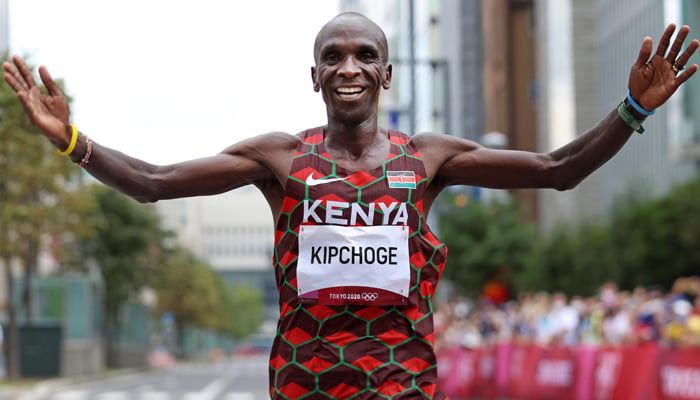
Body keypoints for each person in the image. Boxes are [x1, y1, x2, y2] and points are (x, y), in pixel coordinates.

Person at [3, 11, 698, 400]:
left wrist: (633, 108)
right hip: (304, 386)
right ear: (314, 76)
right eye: (333, 56)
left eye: (365, 54)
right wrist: (70, 139)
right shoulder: (278, 159)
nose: (348, 66)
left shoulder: (425, 159)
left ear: (386, 73)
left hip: (403, 386)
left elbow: (558, 169)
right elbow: (155, 180)